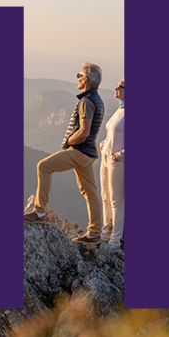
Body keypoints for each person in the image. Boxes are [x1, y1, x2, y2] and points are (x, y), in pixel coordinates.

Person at [24, 63, 105, 244]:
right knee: (90, 192)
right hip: (89, 154)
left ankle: (39, 211)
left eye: (79, 75)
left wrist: (68, 141)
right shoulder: (96, 99)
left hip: (79, 151)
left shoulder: (86, 101)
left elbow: (84, 132)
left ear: (85, 80)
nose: (77, 78)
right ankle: (94, 233)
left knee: (43, 166)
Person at [99, 79, 125, 244]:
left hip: (118, 162)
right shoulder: (120, 110)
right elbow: (114, 134)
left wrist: (122, 154)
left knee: (116, 201)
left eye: (120, 86)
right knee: (105, 197)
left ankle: (115, 242)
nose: (116, 88)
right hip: (106, 158)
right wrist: (104, 143)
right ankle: (105, 235)